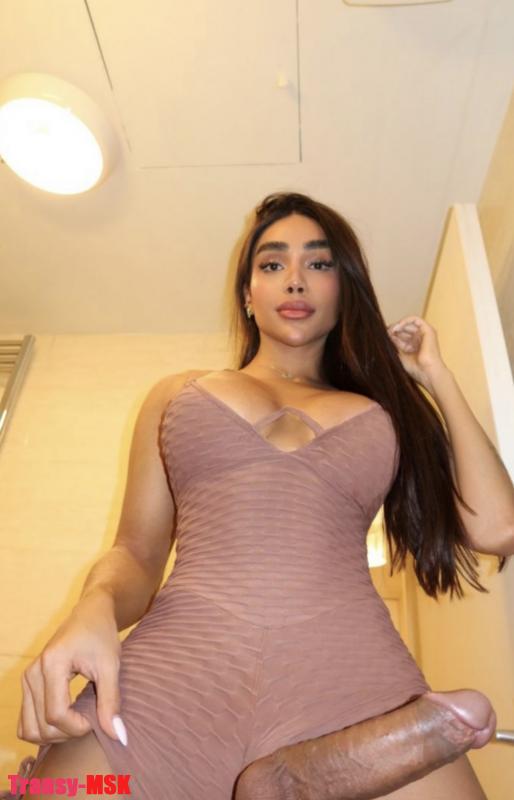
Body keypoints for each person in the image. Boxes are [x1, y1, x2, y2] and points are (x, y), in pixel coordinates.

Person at [11, 192, 512, 800]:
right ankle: (272, 787)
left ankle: (277, 784)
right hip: (166, 684)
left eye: (319, 263)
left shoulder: (383, 412)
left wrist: (435, 375)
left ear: (344, 291)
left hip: (351, 685)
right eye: (272, 264)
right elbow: (137, 553)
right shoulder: (177, 394)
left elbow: (498, 527)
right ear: (247, 295)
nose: (295, 279)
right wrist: (92, 607)